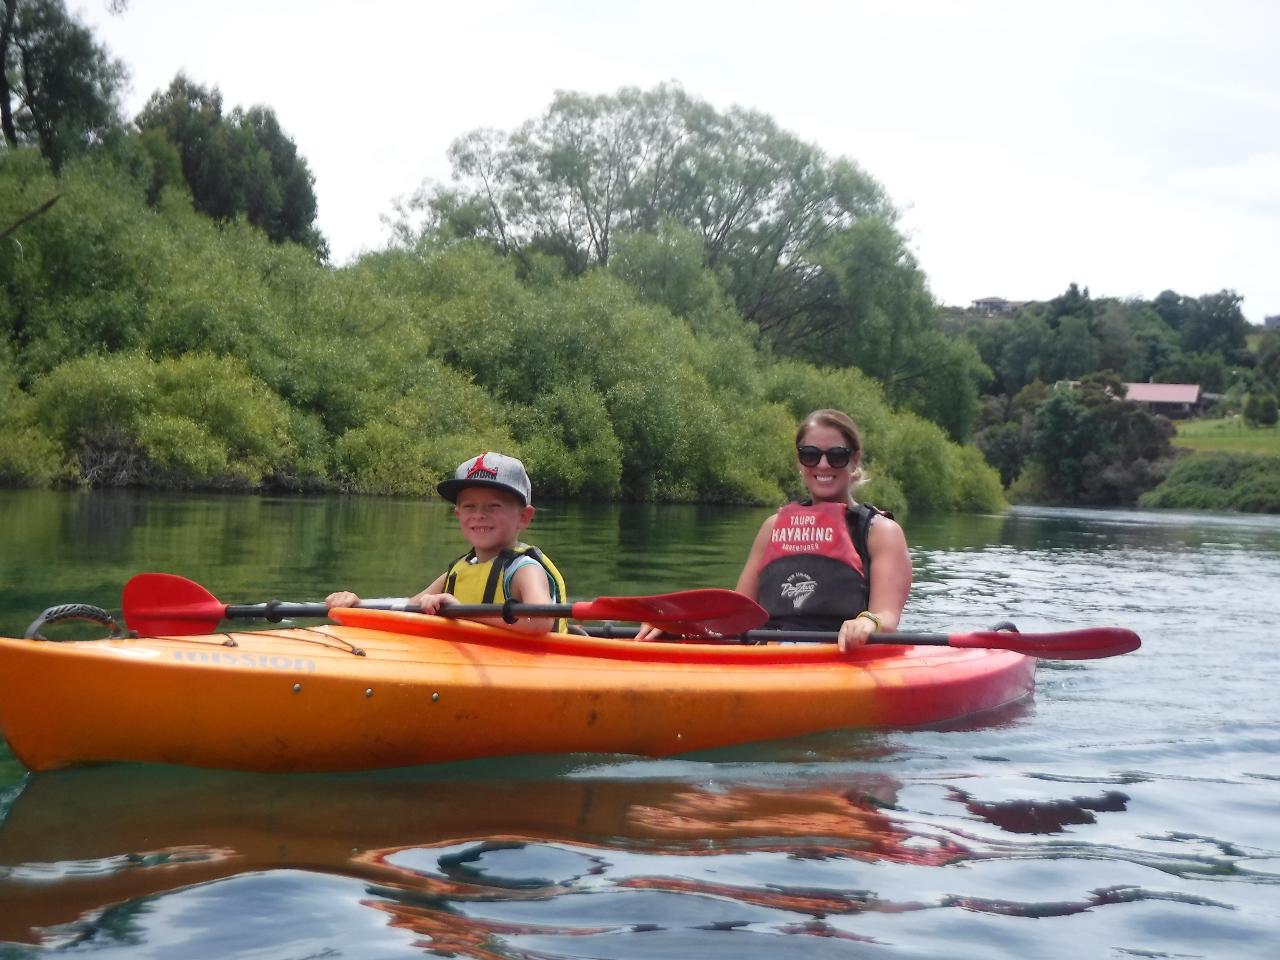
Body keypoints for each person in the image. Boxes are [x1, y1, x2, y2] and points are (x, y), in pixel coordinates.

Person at [325, 452, 568, 633]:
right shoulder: (457, 571)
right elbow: (408, 607)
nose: (479, 515)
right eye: (469, 506)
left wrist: (461, 611)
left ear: (524, 517)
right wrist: (358, 606)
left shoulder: (524, 570)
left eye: (494, 506)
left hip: (532, 668)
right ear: (458, 514)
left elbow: (540, 621)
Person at [739, 408, 912, 652]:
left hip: (841, 655)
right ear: (799, 460)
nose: (822, 465)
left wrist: (868, 621)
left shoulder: (881, 532)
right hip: (768, 653)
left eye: (836, 456)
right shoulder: (772, 527)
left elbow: (886, 615)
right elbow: (738, 610)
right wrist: (682, 624)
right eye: (810, 455)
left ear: (855, 459)